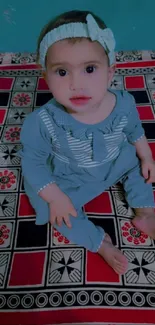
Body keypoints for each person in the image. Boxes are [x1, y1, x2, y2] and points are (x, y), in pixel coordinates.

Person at [19, 10, 155, 275]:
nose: (76, 84)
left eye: (89, 69)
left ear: (109, 73)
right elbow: (33, 163)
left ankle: (145, 212)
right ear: (45, 76)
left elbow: (135, 130)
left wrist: (147, 156)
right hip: (70, 176)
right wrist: (56, 196)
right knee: (55, 212)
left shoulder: (123, 102)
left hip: (114, 161)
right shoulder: (42, 122)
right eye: (61, 72)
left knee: (137, 166)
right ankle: (99, 242)